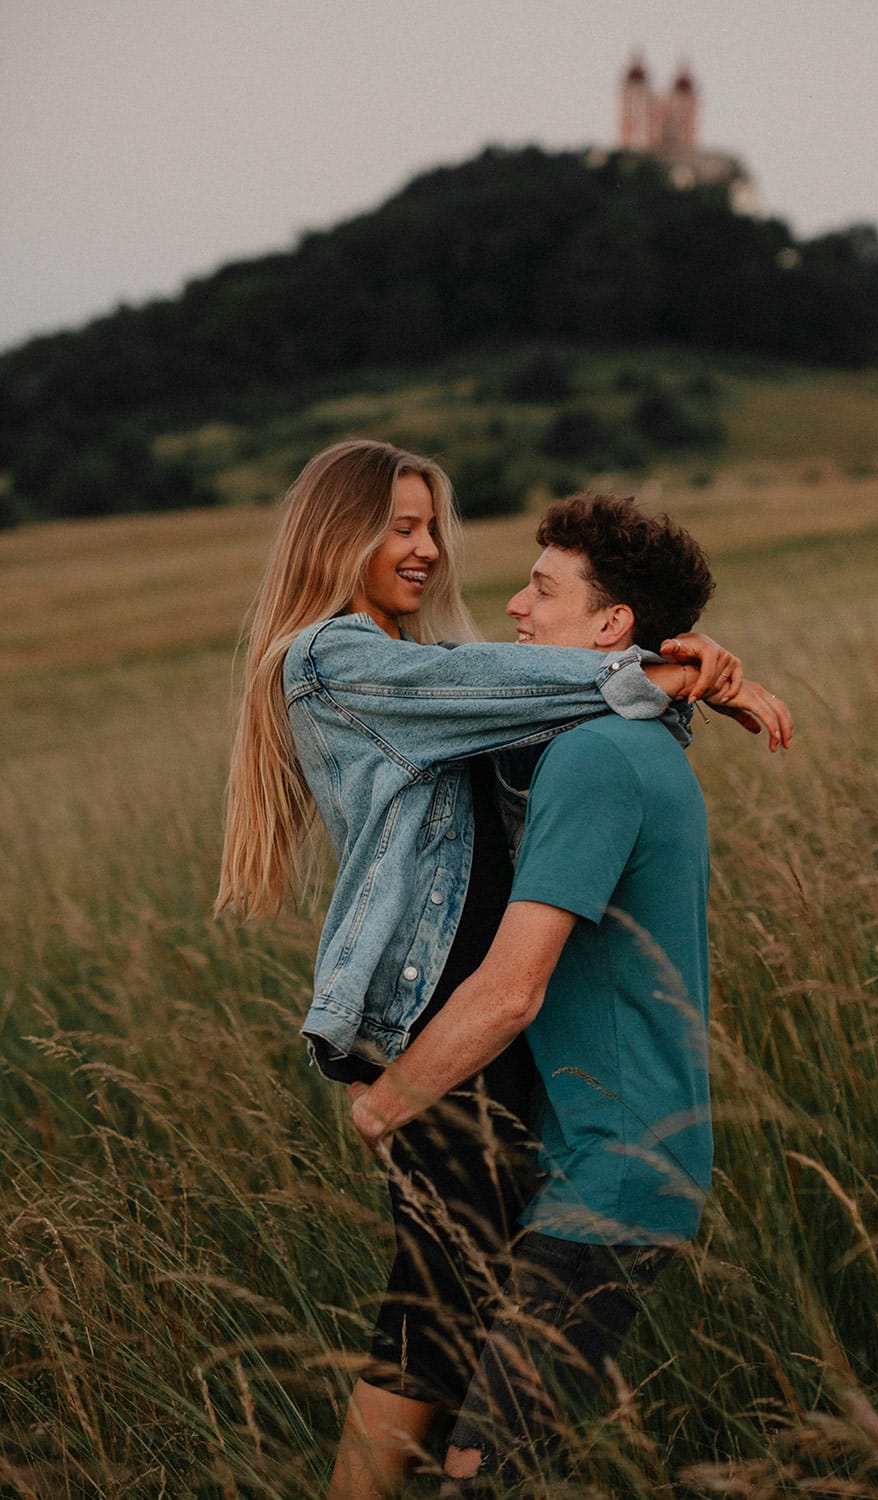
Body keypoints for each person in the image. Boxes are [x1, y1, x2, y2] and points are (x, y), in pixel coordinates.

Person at [215, 441, 784, 1500]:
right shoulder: (333, 657)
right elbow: (512, 681)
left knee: (455, 1310)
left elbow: (555, 712)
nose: (428, 548)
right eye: (399, 526)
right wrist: (657, 668)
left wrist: (673, 671)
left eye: (432, 525)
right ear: (336, 534)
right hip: (441, 1016)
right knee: (432, 1311)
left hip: (486, 1033)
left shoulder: (465, 684)